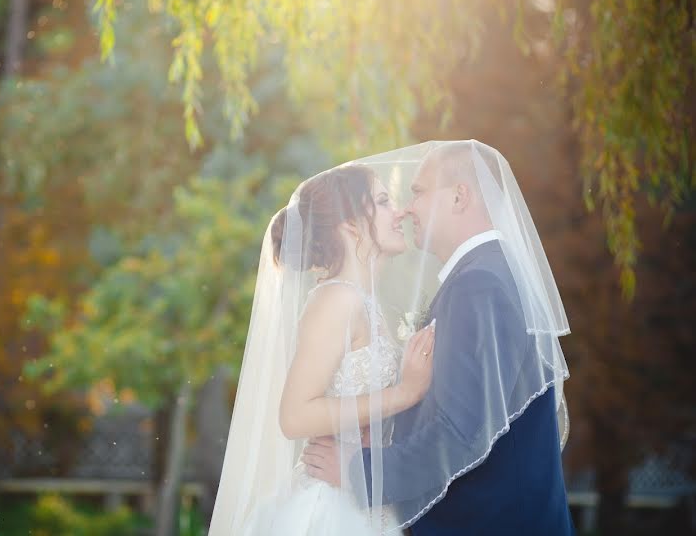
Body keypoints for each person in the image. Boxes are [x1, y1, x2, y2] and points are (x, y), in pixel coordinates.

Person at [303, 141, 574, 535]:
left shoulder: (478, 285)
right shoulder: (488, 274)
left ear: (460, 196)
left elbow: (459, 433)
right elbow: (468, 409)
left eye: (418, 191)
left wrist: (357, 469)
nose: (407, 208)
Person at [208, 164, 437, 536]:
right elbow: (295, 416)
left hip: (364, 497)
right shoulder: (337, 299)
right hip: (331, 509)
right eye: (382, 202)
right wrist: (403, 394)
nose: (400, 213)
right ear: (349, 225)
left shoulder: (364, 301)